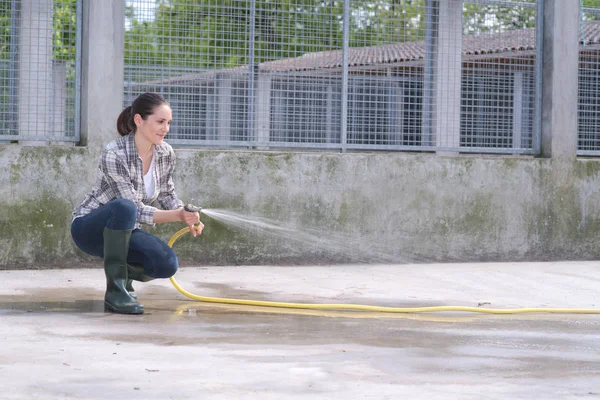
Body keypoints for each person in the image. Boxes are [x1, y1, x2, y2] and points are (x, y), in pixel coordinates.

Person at [71, 92, 203, 315]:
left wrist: (187, 213)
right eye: (160, 122)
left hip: (127, 230)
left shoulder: (165, 153)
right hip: (90, 228)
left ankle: (122, 279)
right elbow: (135, 208)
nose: (166, 128)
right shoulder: (114, 153)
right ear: (139, 120)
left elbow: (168, 195)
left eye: (169, 123)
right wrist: (177, 215)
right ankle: (116, 292)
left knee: (166, 264)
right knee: (125, 207)